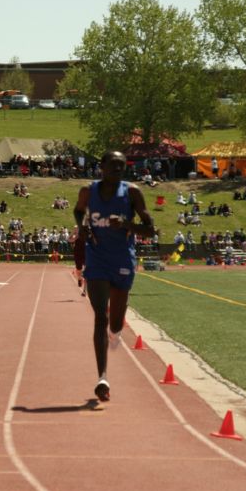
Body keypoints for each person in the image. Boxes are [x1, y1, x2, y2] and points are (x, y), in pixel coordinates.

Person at [73, 151, 155, 402]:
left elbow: (150, 230)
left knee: (115, 323)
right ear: (102, 167)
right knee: (101, 315)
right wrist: (83, 227)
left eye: (123, 165)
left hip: (122, 260)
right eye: (114, 165)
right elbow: (78, 211)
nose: (119, 169)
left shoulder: (132, 193)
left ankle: (116, 330)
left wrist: (128, 224)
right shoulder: (88, 191)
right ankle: (103, 378)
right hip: (97, 258)